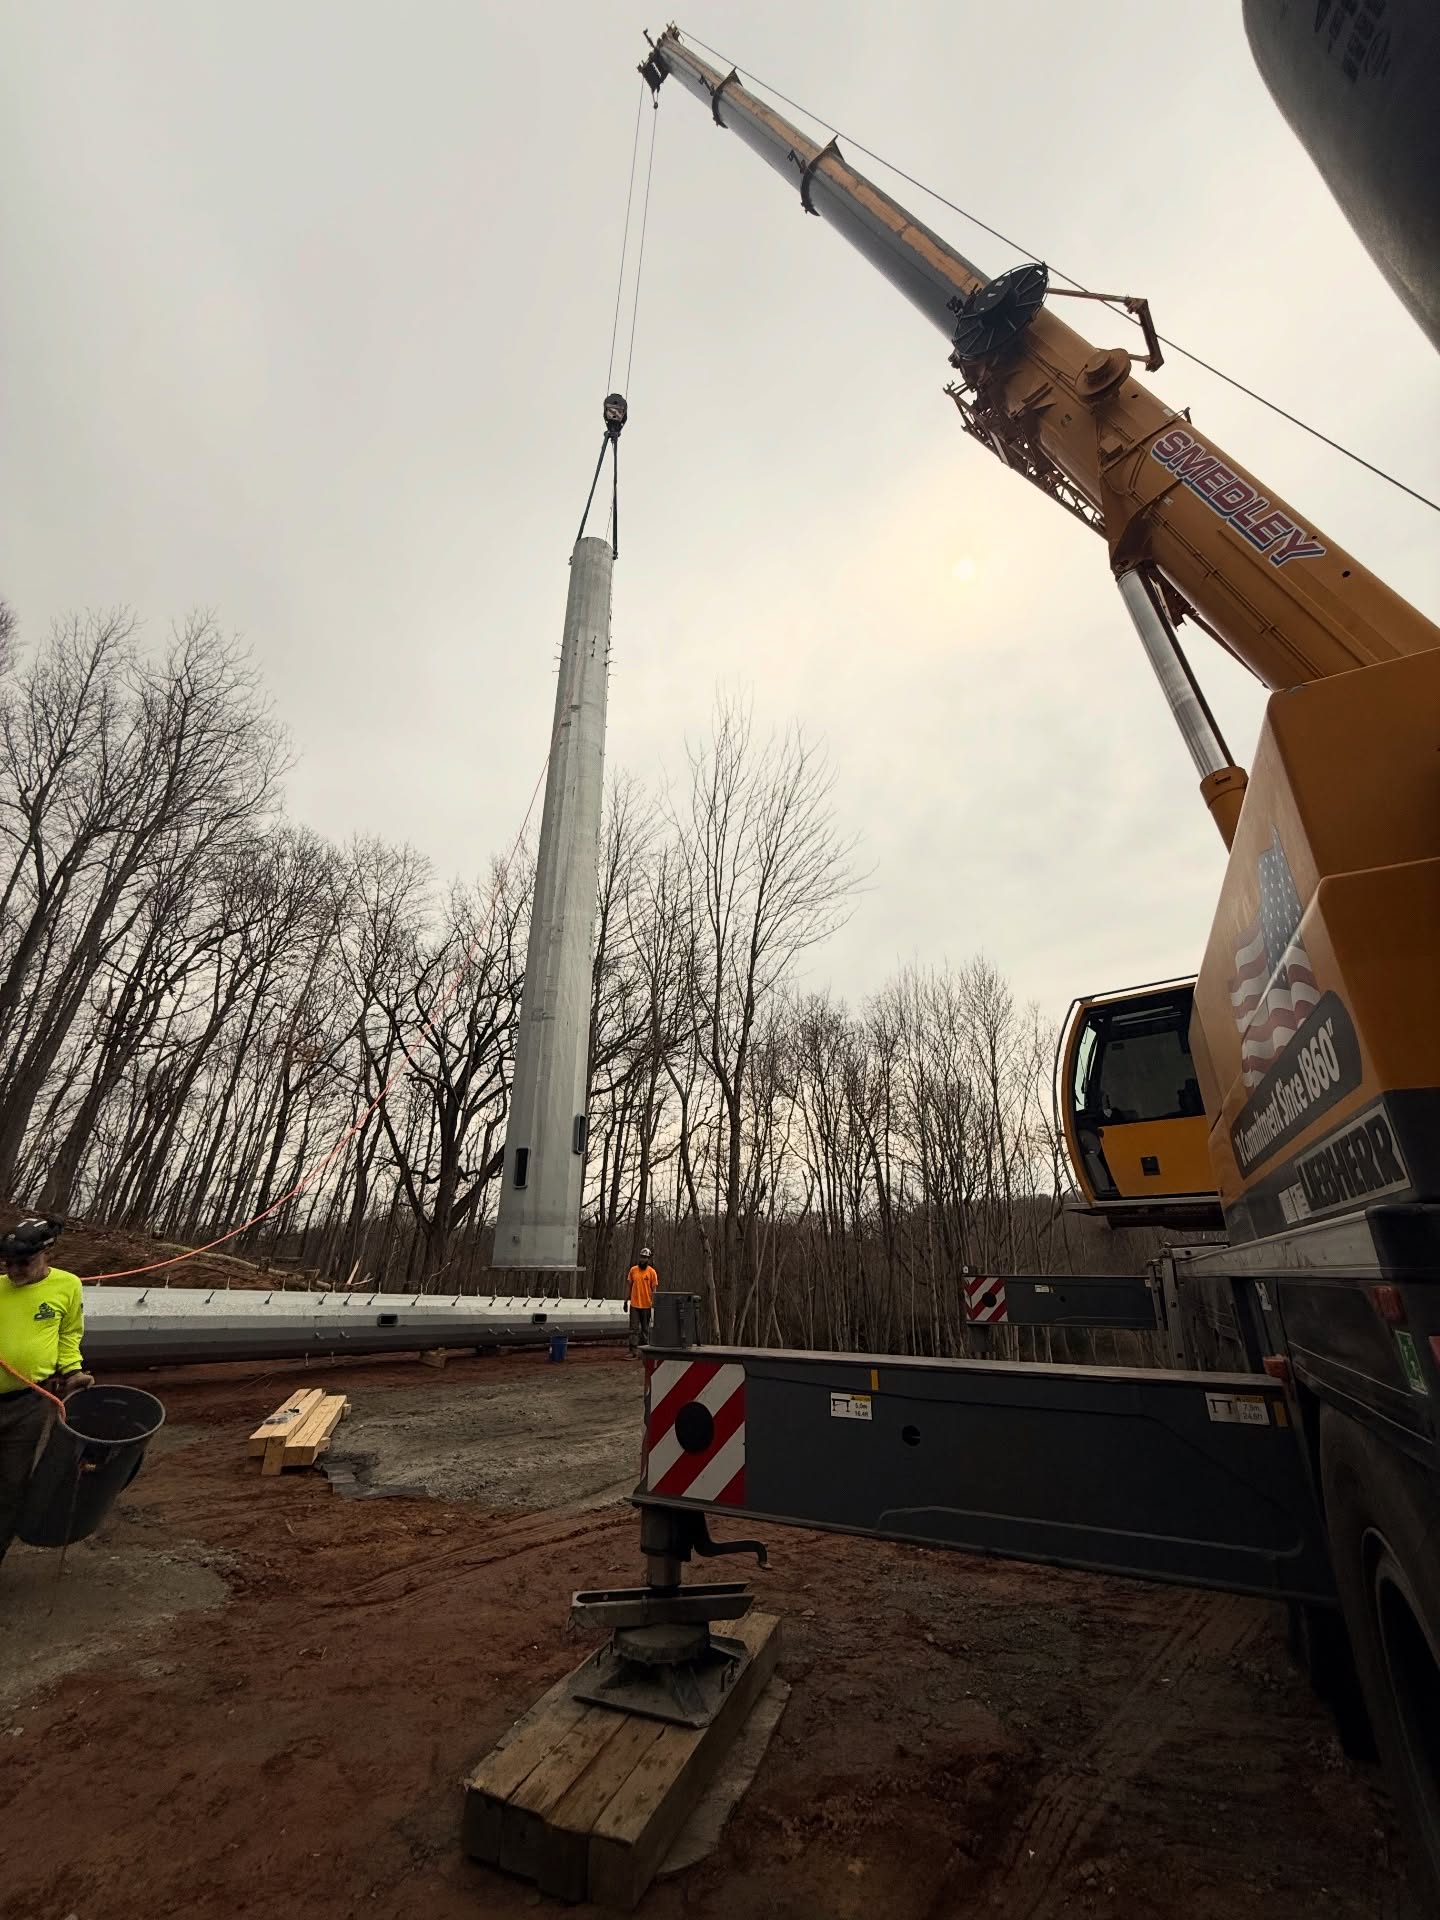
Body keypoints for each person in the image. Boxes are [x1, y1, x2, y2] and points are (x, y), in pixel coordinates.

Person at [0, 1217, 92, 1566]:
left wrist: (73, 1370)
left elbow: (69, 1334)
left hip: (29, 1404)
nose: (14, 1270)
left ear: (45, 1255)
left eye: (23, 1262)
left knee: (10, 1486)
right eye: (7, 1263)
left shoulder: (67, 1286)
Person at [626, 1246, 658, 1355]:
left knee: (645, 1329)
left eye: (645, 1257)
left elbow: (654, 1289)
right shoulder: (633, 1270)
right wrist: (626, 1300)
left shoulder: (652, 1272)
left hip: (646, 1305)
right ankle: (633, 1350)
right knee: (633, 1329)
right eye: (642, 1257)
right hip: (634, 1304)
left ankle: (645, 1351)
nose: (643, 1259)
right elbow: (629, 1286)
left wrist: (654, 1304)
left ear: (648, 1259)